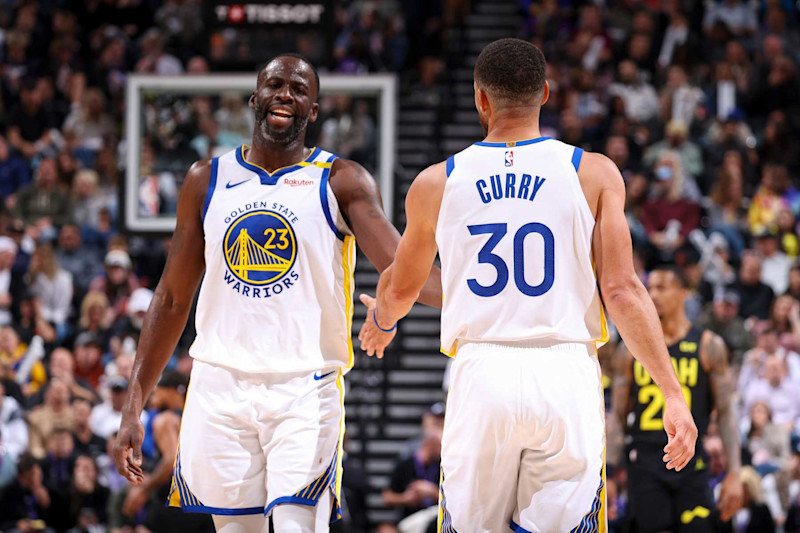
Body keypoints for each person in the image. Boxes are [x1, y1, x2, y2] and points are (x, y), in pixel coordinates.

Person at [359, 38, 697, 532]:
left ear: (480, 99)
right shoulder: (594, 172)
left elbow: (402, 288)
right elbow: (622, 291)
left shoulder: (437, 182)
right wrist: (671, 391)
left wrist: (381, 321)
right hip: (564, 373)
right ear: (545, 93)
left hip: (480, 373)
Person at [114, 53, 440, 533]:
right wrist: (134, 401)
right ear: (255, 98)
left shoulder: (340, 180)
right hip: (219, 386)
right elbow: (170, 299)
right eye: (275, 84)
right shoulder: (206, 180)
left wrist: (482, 293)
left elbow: (410, 271)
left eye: (299, 89)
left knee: (297, 526)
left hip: (303, 388)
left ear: (313, 111)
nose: (285, 94)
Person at [608, 266, 744, 532]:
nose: (654, 294)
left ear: (683, 293)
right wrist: (610, 472)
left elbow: (726, 414)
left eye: (662, 287)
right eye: (650, 288)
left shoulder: (709, 345)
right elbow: (618, 416)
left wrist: (735, 474)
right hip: (645, 461)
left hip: (692, 462)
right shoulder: (629, 350)